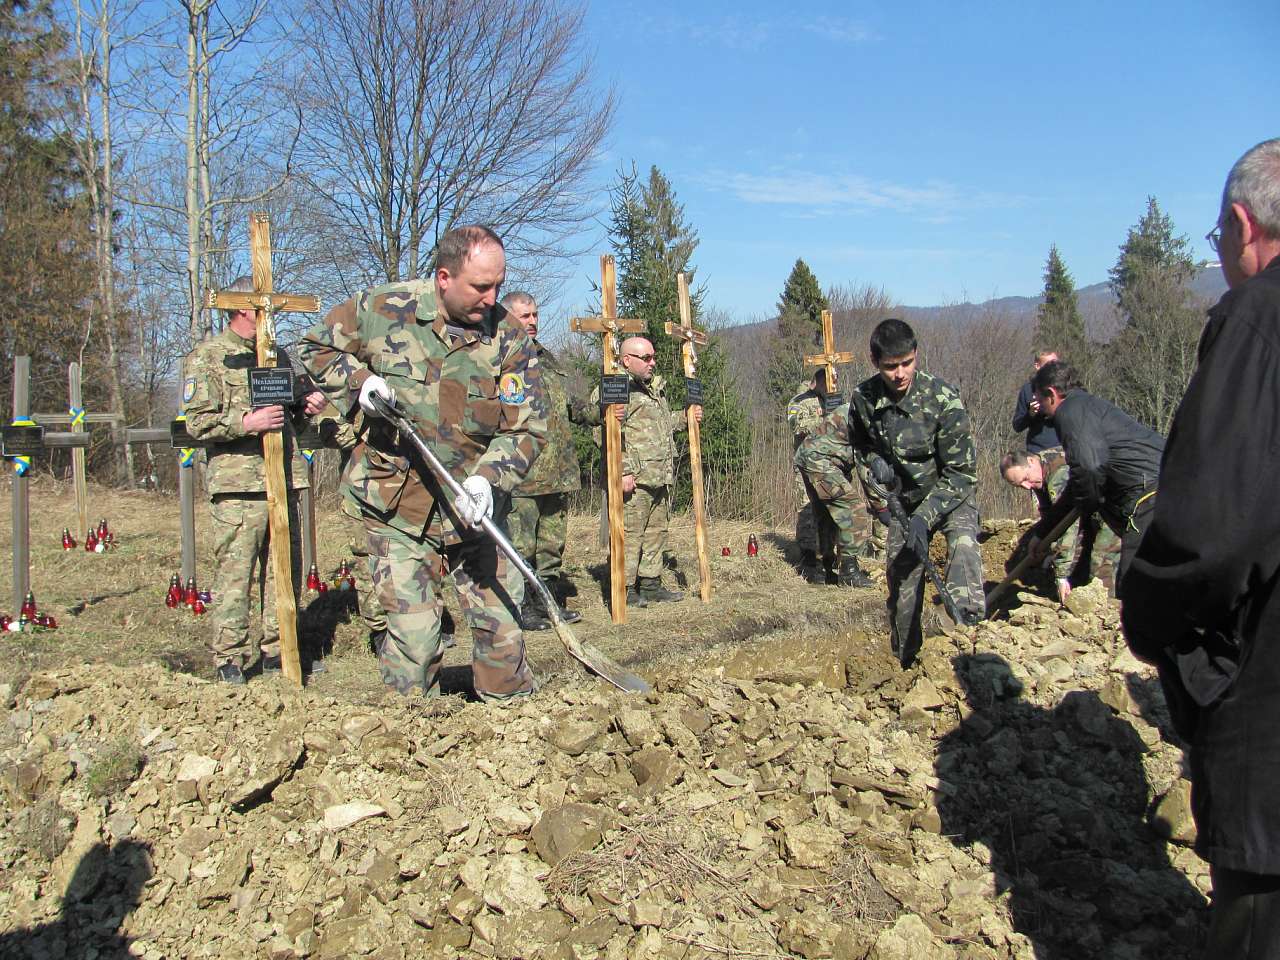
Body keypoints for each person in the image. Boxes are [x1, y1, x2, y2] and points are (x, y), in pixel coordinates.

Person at [1121, 138, 1280, 958]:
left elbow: (1212, 532)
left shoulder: (1259, 322)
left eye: (1217, 240)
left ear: (1242, 226)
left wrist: (1145, 612)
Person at [297, 225, 546, 702]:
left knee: (503, 633)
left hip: (475, 513)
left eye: (498, 284)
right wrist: (359, 383)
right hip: (398, 509)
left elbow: (527, 427)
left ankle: (514, 737)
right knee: (414, 644)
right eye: (480, 287)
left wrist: (488, 482)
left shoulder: (510, 337)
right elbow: (315, 347)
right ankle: (410, 746)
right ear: (444, 277)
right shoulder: (383, 309)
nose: (492, 298)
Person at [804, 318, 984, 666]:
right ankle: (907, 660)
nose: (900, 373)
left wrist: (925, 517)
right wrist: (876, 463)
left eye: (907, 363)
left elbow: (962, 474)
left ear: (916, 356)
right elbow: (863, 443)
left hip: (949, 499)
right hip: (905, 503)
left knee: (963, 556)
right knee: (901, 583)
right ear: (876, 363)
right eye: (891, 367)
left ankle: (973, 652)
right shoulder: (865, 398)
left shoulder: (943, 400)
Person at [183, 276, 328, 684]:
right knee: (236, 572)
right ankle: (228, 657)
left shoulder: (278, 357)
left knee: (284, 570)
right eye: (265, 308)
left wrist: (307, 406)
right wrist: (246, 421)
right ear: (243, 308)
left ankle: (277, 649)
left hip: (283, 479)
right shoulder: (209, 357)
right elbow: (196, 422)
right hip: (239, 486)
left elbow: (293, 414)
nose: (273, 317)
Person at [1026, 360, 1162, 595]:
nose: (1040, 408)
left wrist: (1088, 503)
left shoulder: (1070, 412)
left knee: (1139, 591)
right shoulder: (1088, 408)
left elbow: (1089, 469)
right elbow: (1077, 485)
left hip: (1150, 496)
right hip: (1164, 487)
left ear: (1051, 394)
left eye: (1039, 398)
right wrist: (1044, 531)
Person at [584, 336, 701, 608]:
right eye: (645, 358)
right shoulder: (615, 388)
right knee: (629, 533)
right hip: (633, 478)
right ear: (626, 360)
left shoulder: (651, 390)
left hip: (658, 475)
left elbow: (658, 425)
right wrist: (622, 471)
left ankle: (650, 583)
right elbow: (604, 433)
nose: (652, 362)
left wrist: (685, 418)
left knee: (656, 531)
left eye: (653, 356)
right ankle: (624, 587)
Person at [499, 290, 584, 631]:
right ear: (507, 318)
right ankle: (522, 607)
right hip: (523, 473)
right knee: (521, 545)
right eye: (525, 315)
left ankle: (548, 602)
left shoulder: (546, 359)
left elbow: (566, 408)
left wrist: (601, 409)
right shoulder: (500, 358)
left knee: (551, 546)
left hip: (557, 472)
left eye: (534, 314)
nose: (532, 320)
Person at [789, 372, 875, 587]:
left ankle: (830, 561)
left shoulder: (840, 401)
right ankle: (811, 558)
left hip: (834, 461)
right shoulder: (801, 401)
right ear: (816, 381)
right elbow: (796, 425)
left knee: (832, 512)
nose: (830, 386)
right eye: (825, 382)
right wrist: (825, 422)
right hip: (812, 459)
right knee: (812, 510)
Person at [1001, 448, 1119, 600]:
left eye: (1025, 479)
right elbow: (1051, 515)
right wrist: (1039, 536)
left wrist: (1061, 575)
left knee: (1100, 568)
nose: (1026, 487)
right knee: (1079, 569)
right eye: (1019, 485)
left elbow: (1067, 525)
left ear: (1030, 461)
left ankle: (1105, 613)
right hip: (1091, 510)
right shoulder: (1037, 474)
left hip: (1113, 507)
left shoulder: (1059, 474)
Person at [1011, 349, 1061, 452]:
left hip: (1063, 450)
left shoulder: (1064, 387)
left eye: (1056, 364)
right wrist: (1031, 414)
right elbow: (1017, 426)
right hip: (1037, 451)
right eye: (1049, 364)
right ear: (1037, 366)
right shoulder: (1028, 390)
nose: (1054, 368)